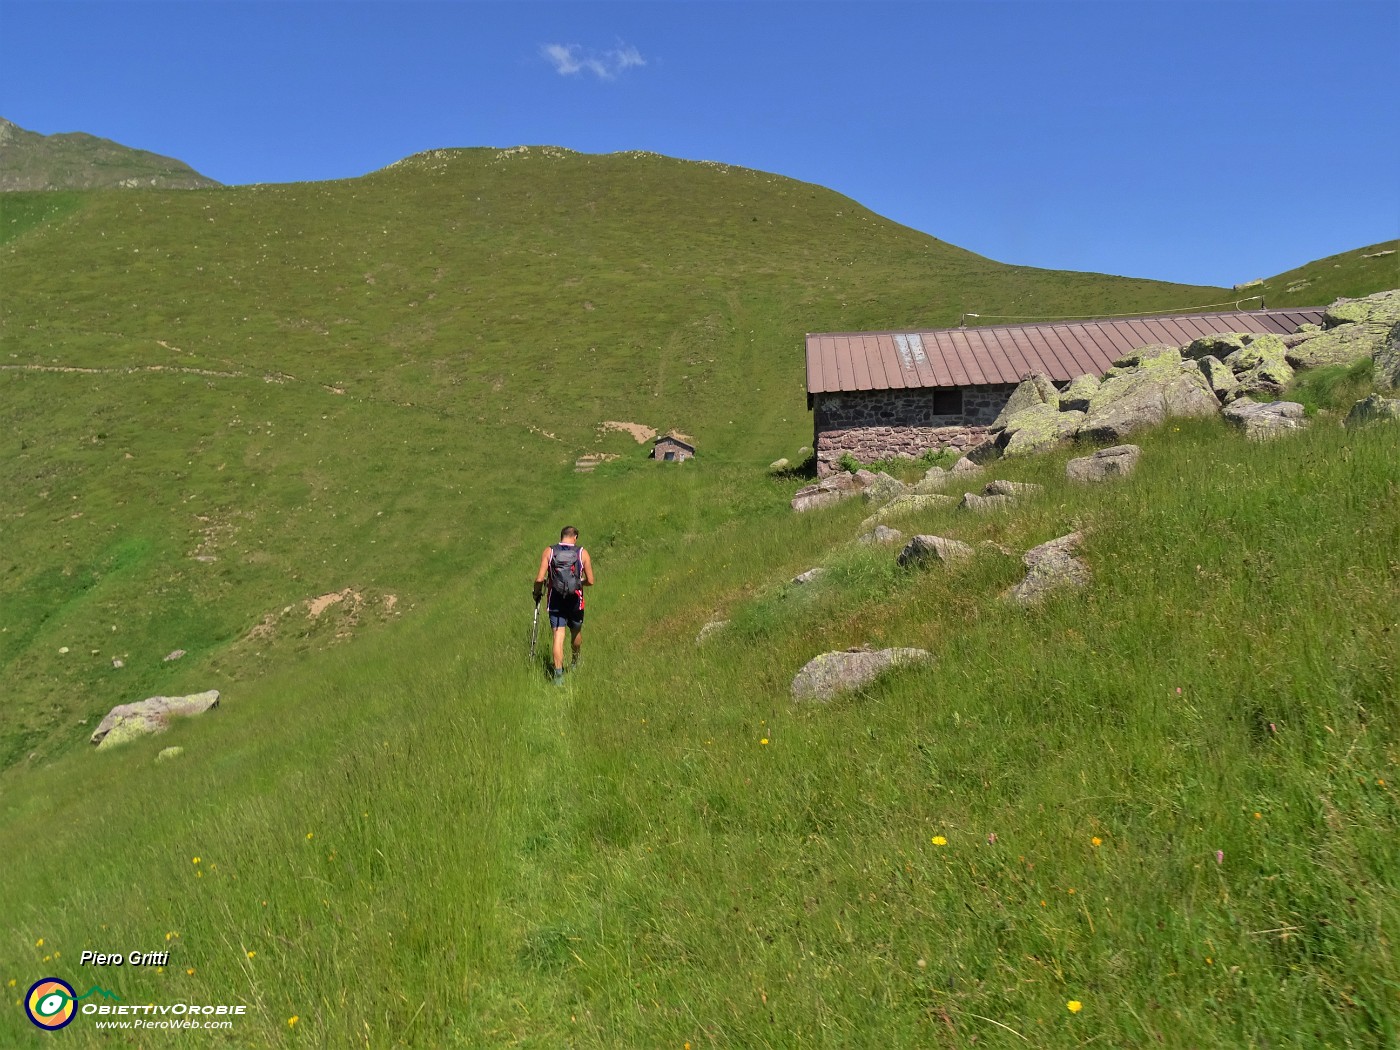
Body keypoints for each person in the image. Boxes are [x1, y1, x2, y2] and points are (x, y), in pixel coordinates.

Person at [533, 526, 594, 683]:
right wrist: (579, 583)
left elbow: (539, 579)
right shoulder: (582, 553)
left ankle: (558, 677)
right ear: (575, 537)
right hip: (576, 600)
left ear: (561, 537)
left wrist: (537, 592)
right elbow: (591, 581)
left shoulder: (550, 551)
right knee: (575, 632)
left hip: (556, 600)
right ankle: (575, 662)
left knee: (558, 637)